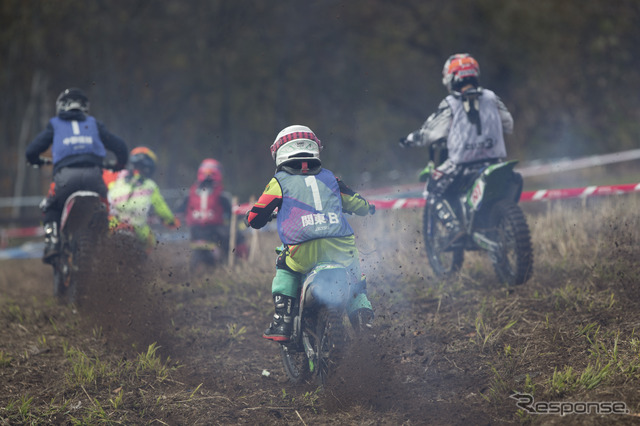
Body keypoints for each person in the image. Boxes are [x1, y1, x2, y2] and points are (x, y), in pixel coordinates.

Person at [245, 125, 376, 342]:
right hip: (341, 247)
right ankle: (362, 315)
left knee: (285, 266)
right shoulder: (331, 179)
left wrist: (250, 218)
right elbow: (357, 203)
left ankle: (283, 320)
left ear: (279, 152)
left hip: (303, 249)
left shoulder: (279, 181)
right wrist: (369, 207)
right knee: (353, 277)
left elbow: (256, 216)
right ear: (315, 148)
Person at [400, 53, 514, 233]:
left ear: (451, 78)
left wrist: (410, 139)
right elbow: (509, 124)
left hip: (462, 166)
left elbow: (431, 133)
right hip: (494, 162)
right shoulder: (491, 97)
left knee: (432, 189)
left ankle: (454, 228)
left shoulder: (451, 103)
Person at [25, 88, 129, 264]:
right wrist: (119, 164)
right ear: (85, 107)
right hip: (94, 177)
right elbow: (120, 146)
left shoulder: (55, 124)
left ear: (61, 107)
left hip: (65, 179)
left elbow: (31, 151)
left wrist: (38, 161)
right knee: (103, 206)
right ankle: (105, 242)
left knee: (51, 206)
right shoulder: (94, 123)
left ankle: (53, 242)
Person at [178, 158, 248, 268]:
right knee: (238, 235)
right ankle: (242, 263)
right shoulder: (221, 193)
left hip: (194, 231)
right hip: (215, 230)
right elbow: (233, 213)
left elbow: (178, 210)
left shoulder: (190, 193)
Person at [107, 146, 180, 251]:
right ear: (150, 168)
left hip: (113, 223)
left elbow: (107, 192)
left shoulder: (119, 177)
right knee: (151, 242)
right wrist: (171, 220)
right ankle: (142, 265)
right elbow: (161, 208)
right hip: (137, 227)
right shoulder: (150, 186)